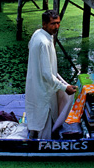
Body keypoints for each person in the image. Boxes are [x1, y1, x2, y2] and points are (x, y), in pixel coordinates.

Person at [25, 10, 78, 139]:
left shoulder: (37, 34)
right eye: (53, 24)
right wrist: (65, 87)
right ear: (44, 24)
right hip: (44, 90)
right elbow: (47, 75)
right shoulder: (45, 43)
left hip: (34, 86)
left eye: (58, 23)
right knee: (44, 122)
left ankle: (32, 138)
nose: (56, 27)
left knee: (36, 117)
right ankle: (42, 147)